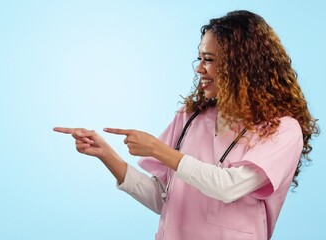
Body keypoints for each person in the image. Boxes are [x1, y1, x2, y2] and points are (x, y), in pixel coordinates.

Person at [53, 10, 319, 240]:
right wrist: (105, 154)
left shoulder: (282, 129)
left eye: (210, 60)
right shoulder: (191, 116)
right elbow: (163, 198)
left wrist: (159, 150)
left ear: (243, 66)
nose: (199, 69)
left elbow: (228, 187)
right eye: (200, 58)